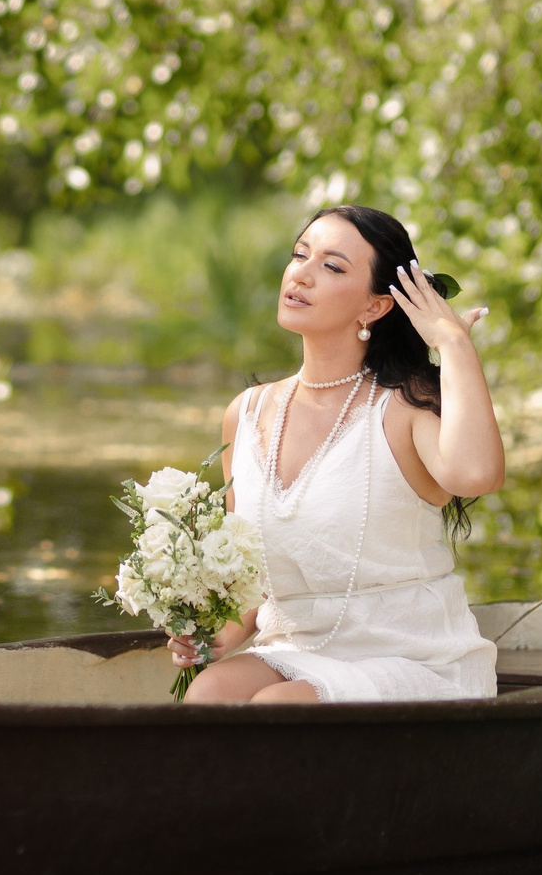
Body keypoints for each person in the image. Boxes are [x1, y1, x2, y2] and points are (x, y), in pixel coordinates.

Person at [168, 204, 506, 703]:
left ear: (375, 306)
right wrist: (218, 633)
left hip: (415, 657)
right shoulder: (247, 413)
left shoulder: (403, 404)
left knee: (277, 707)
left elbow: (477, 474)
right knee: (208, 694)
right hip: (297, 650)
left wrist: (453, 343)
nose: (301, 274)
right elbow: (249, 572)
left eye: (332, 266)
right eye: (299, 255)